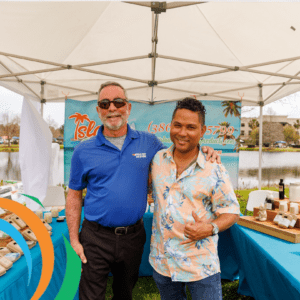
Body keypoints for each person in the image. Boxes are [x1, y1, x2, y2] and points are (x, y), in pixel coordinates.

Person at [66, 82, 221, 300]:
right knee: (90, 295)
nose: (112, 108)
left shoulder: (148, 142)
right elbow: (73, 195)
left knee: (124, 293)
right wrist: (74, 240)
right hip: (95, 237)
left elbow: (180, 152)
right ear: (98, 110)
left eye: (118, 102)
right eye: (105, 103)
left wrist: (206, 150)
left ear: (128, 107)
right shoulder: (83, 150)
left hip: (132, 237)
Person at [149, 97, 240, 300]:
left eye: (191, 127)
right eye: (178, 125)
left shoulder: (214, 168)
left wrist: (209, 228)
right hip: (163, 262)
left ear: (202, 131)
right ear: (170, 125)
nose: (182, 133)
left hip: (200, 265)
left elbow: (232, 211)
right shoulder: (157, 160)